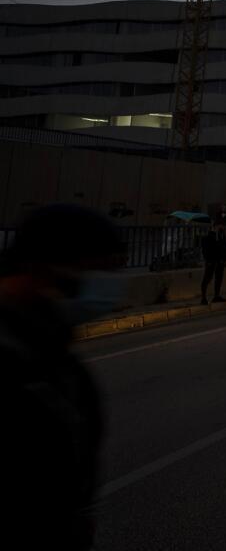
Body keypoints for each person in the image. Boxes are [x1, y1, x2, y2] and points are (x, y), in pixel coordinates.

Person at [0, 204, 125, 550]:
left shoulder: (60, 362)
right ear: (42, 268)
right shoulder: (15, 364)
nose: (108, 286)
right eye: (97, 270)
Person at [200, 223, 226, 305]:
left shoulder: (221, 236)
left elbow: (223, 247)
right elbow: (207, 250)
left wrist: (224, 259)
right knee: (207, 278)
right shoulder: (208, 237)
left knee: (218, 278)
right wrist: (208, 260)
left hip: (219, 261)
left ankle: (216, 295)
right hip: (211, 261)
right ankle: (203, 297)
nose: (221, 227)